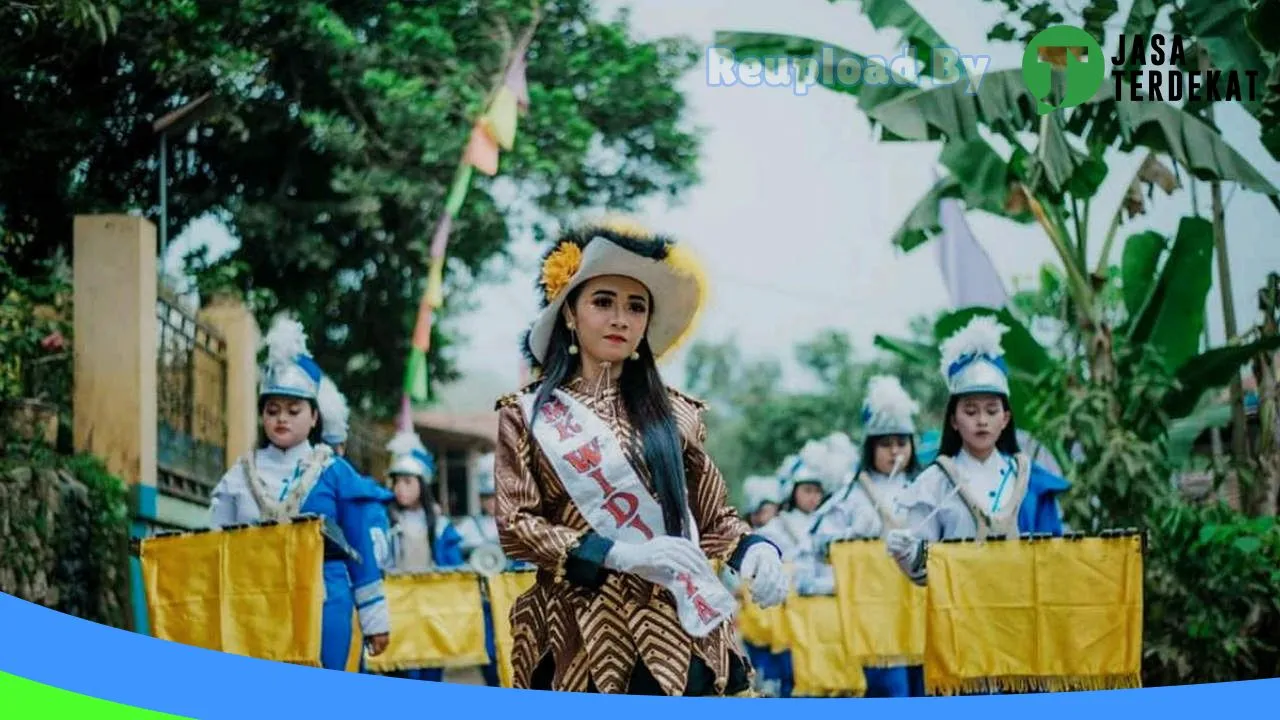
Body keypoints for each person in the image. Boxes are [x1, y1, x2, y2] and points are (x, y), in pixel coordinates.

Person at [492, 218, 788, 696]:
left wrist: (755, 549)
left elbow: (713, 518)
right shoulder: (526, 417)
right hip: (581, 632)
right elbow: (516, 526)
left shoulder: (678, 414)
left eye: (636, 307)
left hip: (679, 624)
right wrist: (618, 553)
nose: (620, 319)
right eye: (602, 302)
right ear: (570, 313)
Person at [208, 315, 391, 671]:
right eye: (272, 410)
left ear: (314, 418)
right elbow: (217, 545)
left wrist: (374, 619)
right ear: (262, 415)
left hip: (326, 602)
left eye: (294, 411)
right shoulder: (239, 475)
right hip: (257, 603)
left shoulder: (335, 473)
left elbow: (362, 551)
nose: (282, 419)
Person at [885, 316, 1071, 586]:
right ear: (953, 420)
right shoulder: (932, 484)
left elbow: (1055, 557)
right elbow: (923, 575)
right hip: (960, 617)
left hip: (1023, 612)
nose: (982, 420)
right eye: (970, 411)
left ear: (1005, 419)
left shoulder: (1031, 480)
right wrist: (906, 554)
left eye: (992, 410)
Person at [810, 374, 925, 697]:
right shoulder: (852, 493)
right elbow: (819, 546)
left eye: (901, 443)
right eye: (885, 444)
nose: (894, 452)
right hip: (877, 618)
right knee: (891, 694)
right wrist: (851, 536)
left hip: (923, 611)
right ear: (870, 447)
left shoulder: (928, 485)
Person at [379, 429, 465, 682]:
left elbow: (454, 566)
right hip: (396, 606)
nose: (400, 489)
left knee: (430, 666)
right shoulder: (383, 520)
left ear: (422, 484)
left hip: (431, 607)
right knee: (398, 668)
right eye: (396, 482)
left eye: (408, 482)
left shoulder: (439, 525)